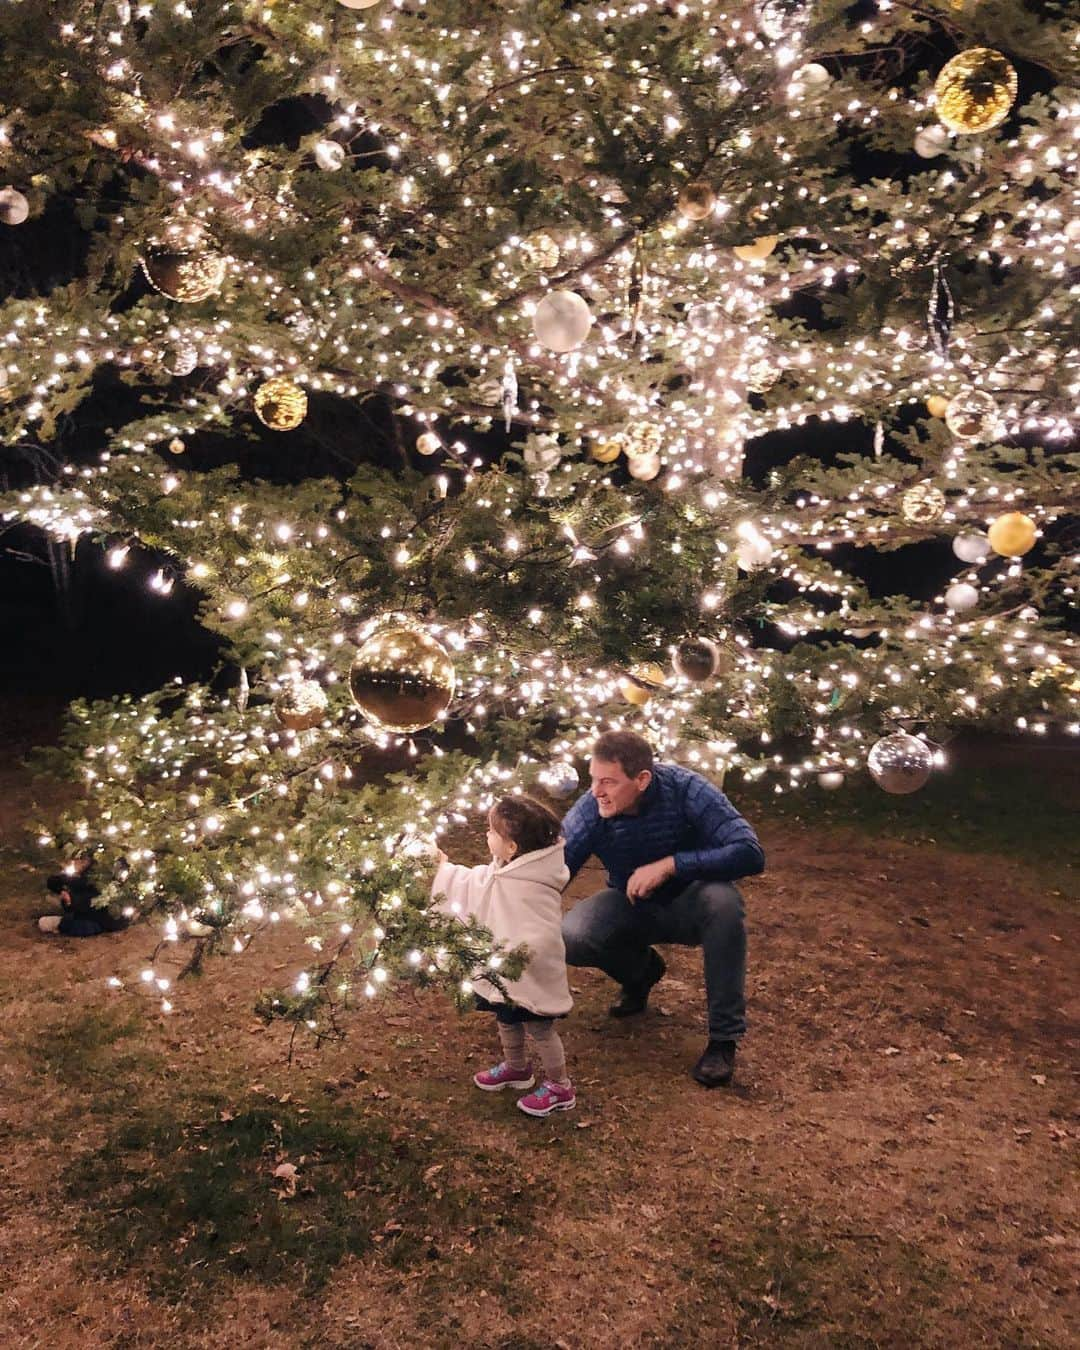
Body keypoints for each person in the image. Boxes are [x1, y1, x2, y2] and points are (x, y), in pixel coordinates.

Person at [561, 730, 764, 1088]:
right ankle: (641, 974)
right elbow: (555, 867)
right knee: (574, 934)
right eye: (593, 778)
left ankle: (723, 1040)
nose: (596, 791)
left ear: (642, 780)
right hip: (633, 904)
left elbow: (749, 851)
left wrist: (672, 865)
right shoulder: (593, 807)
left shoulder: (687, 789)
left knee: (724, 904)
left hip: (693, 901)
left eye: (608, 781)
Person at [432, 796, 576, 1118]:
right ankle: (517, 1068)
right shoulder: (504, 872)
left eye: (492, 832)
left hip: (529, 970)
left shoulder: (534, 883)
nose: (486, 836)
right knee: (506, 1017)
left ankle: (560, 1086)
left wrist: (520, 955)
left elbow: (539, 932)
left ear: (512, 847)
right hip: (506, 969)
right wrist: (442, 869)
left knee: (540, 1028)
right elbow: (474, 883)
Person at [39, 851, 129, 937]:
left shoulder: (99, 879)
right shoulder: (86, 874)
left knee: (83, 926)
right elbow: (56, 881)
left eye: (79, 860)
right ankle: (64, 907)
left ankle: (60, 922)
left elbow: (92, 901)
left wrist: (71, 901)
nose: (74, 863)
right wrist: (62, 889)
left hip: (102, 919)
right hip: (94, 911)